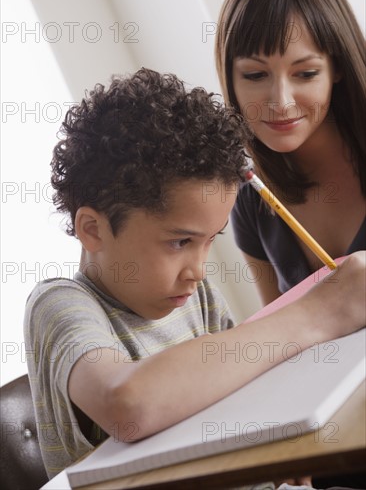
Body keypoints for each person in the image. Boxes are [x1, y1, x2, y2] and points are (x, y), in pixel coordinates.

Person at [24, 68, 365, 483]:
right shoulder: (61, 305)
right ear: (93, 229)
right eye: (180, 242)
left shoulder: (195, 294)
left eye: (210, 240)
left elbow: (242, 399)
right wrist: (318, 314)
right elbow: (126, 405)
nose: (198, 270)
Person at [215, 0, 366, 306]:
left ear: (337, 68)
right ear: (231, 79)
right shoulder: (250, 196)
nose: (280, 103)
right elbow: (280, 338)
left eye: (305, 73)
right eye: (255, 75)